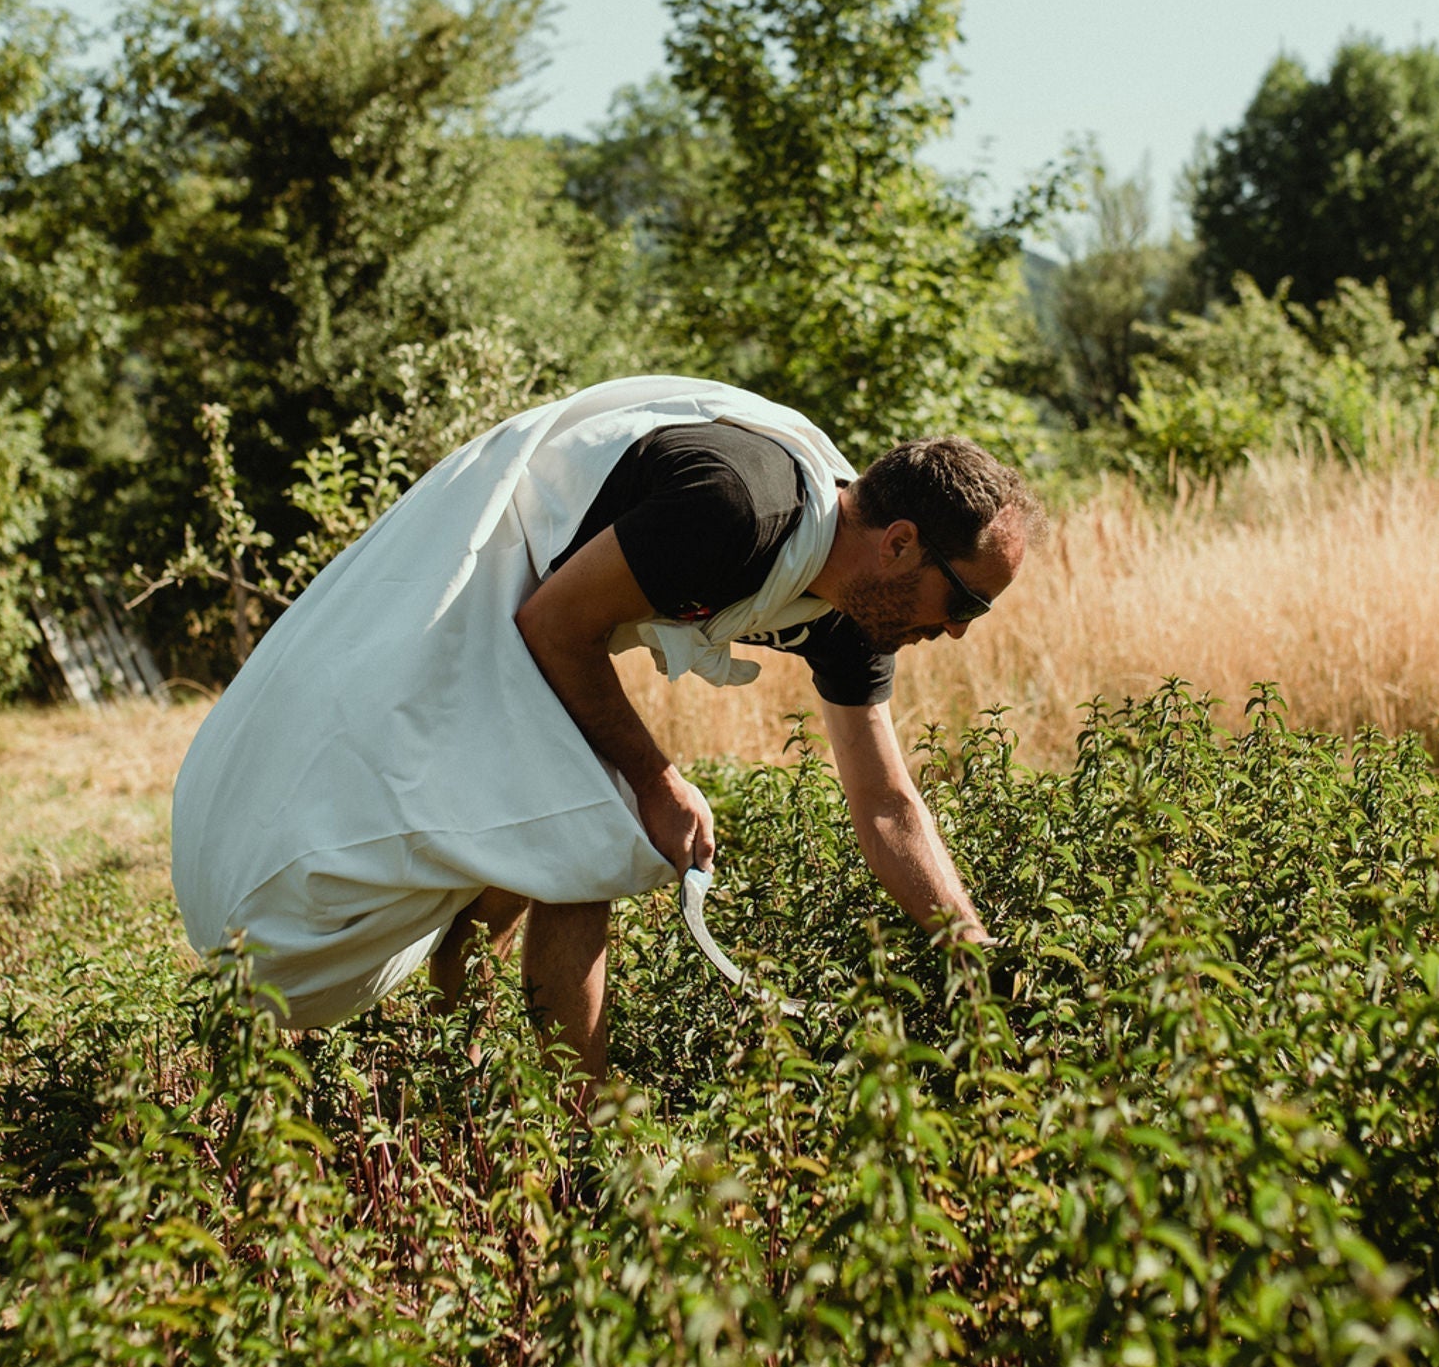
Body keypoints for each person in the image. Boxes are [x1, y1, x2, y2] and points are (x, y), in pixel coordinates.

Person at [170, 374, 1037, 1096]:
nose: (957, 631)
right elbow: (551, 625)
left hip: (537, 615)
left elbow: (886, 804)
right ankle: (570, 1134)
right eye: (963, 601)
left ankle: (452, 1058)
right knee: (597, 832)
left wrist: (977, 964)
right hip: (477, 592)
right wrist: (657, 782)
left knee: (568, 824)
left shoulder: (854, 612)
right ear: (899, 543)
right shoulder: (737, 508)